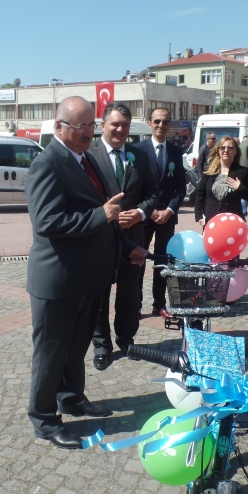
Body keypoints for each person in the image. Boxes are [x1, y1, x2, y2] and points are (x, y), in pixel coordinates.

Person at [25, 97, 148, 449]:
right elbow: (47, 222)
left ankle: (71, 398)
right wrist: (102, 216)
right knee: (51, 352)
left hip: (87, 279)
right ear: (59, 127)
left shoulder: (85, 160)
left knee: (75, 347)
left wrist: (128, 249)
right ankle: (45, 419)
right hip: (58, 280)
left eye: (90, 126)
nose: (87, 132)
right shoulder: (47, 164)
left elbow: (105, 217)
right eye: (80, 127)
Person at [89, 102, 158, 370]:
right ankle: (102, 346)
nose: (120, 129)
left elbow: (152, 194)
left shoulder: (139, 156)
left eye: (125, 125)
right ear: (103, 124)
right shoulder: (90, 155)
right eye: (115, 124)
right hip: (100, 239)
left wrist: (140, 213)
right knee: (99, 294)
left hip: (134, 237)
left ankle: (126, 339)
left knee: (130, 293)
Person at [135, 108, 187, 318]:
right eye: (157, 121)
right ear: (149, 123)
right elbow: (134, 186)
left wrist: (169, 209)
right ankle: (135, 304)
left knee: (163, 261)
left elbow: (180, 188)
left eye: (165, 122)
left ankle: (159, 303)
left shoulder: (176, 152)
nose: (160, 125)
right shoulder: (137, 150)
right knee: (138, 259)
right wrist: (149, 210)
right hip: (144, 216)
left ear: (169, 125)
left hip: (167, 216)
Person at [194, 136, 248, 225]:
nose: (226, 150)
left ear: (235, 151)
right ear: (218, 151)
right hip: (211, 221)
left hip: (233, 221)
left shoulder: (242, 171)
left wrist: (240, 187)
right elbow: (200, 194)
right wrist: (199, 215)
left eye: (230, 148)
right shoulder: (209, 171)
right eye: (222, 148)